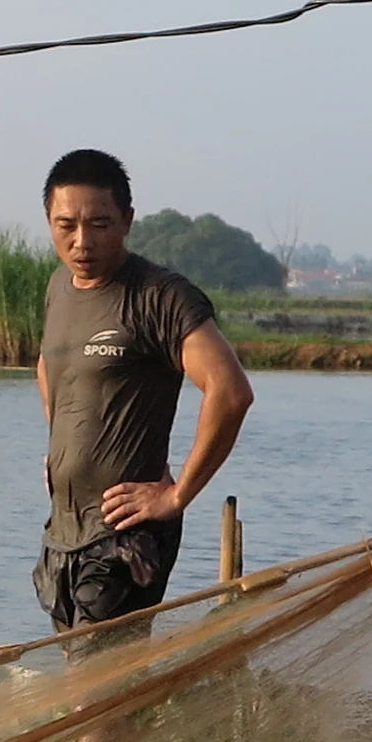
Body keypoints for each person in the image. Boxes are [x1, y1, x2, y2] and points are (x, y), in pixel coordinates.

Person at [33, 148, 256, 628]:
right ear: (49, 220)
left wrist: (175, 498)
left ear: (128, 220)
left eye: (99, 223)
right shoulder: (57, 287)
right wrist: (61, 446)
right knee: (81, 686)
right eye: (66, 224)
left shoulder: (160, 296)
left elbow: (230, 391)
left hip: (124, 537)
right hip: (63, 533)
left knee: (96, 689)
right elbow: (49, 365)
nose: (81, 241)